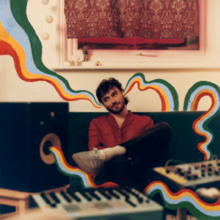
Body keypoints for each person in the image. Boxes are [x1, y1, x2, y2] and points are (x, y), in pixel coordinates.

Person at [72, 78, 172, 189]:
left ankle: (116, 151)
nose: (113, 101)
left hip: (139, 168)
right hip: (112, 170)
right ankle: (116, 154)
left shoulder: (145, 121)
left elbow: (150, 150)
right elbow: (95, 155)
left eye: (114, 94)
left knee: (164, 128)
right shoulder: (97, 123)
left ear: (122, 92)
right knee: (119, 160)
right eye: (106, 99)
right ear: (103, 104)